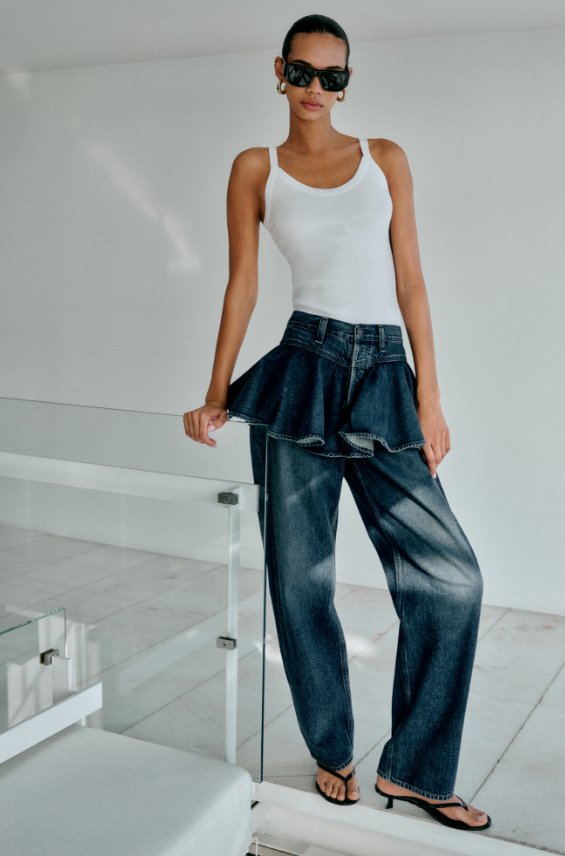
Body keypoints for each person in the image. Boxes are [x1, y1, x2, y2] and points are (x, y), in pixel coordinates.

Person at [183, 13, 491, 832]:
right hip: (302, 368)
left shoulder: (384, 159)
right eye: (304, 72)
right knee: (300, 580)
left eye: (334, 76)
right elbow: (242, 284)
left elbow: (413, 282)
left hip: (386, 373)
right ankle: (333, 747)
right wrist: (216, 390)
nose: (318, 89)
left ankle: (419, 771)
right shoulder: (257, 168)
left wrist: (430, 397)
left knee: (452, 581)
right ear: (277, 72)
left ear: (348, 81)